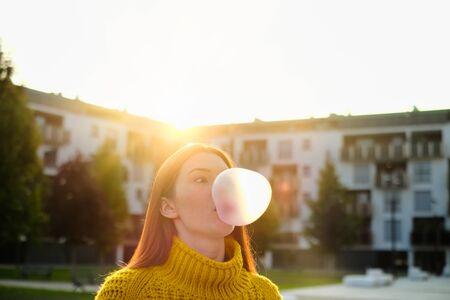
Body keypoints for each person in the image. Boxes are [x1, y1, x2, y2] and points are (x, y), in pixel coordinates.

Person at [95, 143, 282, 299]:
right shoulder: (125, 293)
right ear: (168, 207)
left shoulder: (266, 294)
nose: (222, 190)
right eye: (201, 179)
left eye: (226, 180)